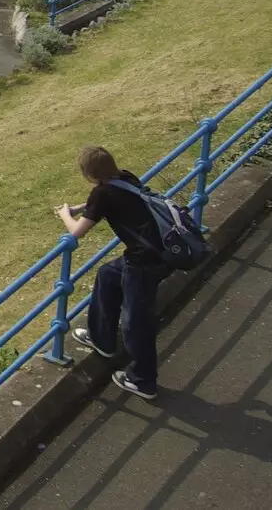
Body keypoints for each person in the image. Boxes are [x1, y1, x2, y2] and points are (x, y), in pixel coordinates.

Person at [54, 146, 168, 400]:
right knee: (107, 275)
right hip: (159, 251)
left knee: (136, 323)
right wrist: (83, 206)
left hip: (144, 262)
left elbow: (76, 232)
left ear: (89, 175)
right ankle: (101, 338)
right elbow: (102, 202)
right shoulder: (126, 177)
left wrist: (65, 215)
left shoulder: (102, 193)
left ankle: (143, 381)